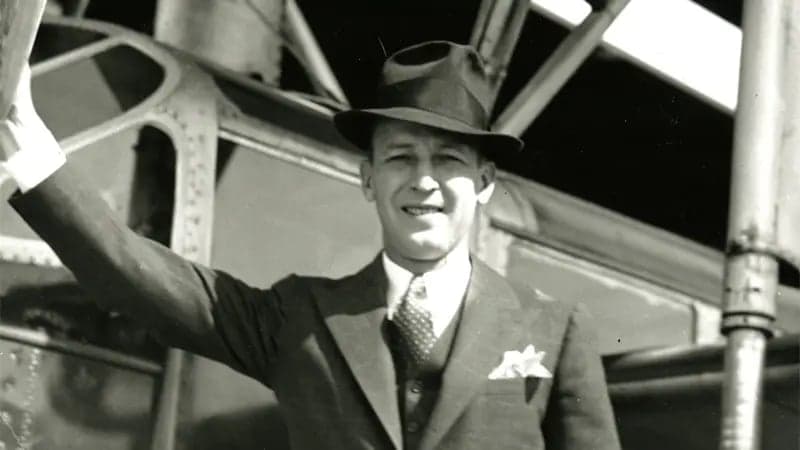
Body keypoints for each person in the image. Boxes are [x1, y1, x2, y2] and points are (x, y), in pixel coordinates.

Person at [1, 41, 620, 449]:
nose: (424, 180)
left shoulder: (557, 330)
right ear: (368, 178)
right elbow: (130, 271)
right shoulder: (298, 317)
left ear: (484, 183)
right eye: (400, 156)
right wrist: (25, 142)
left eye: (449, 159)